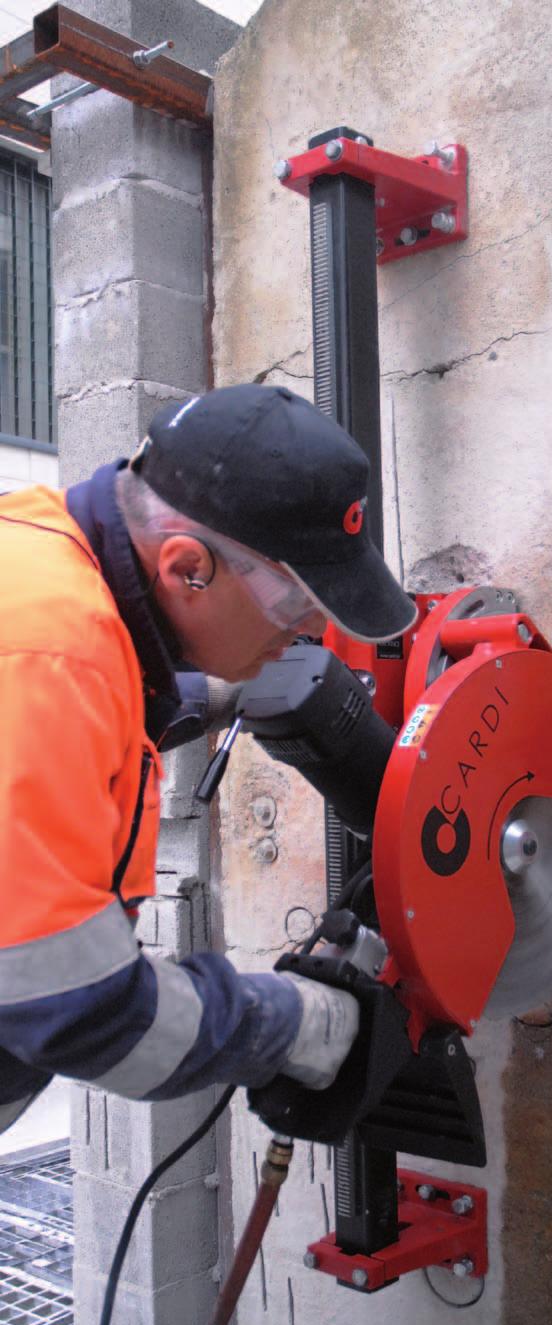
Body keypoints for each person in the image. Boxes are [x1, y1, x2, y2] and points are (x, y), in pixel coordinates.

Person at [0, 384, 417, 1134]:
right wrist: (296, 1023)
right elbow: (74, 1005)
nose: (302, 638)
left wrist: (178, 694)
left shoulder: (35, 546)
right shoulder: (55, 658)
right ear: (189, 567)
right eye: (295, 611)